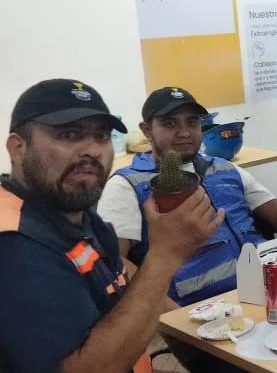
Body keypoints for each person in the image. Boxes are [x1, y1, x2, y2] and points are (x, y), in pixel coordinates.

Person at [0, 79, 222, 372]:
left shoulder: (81, 218)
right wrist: (165, 255)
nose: (91, 150)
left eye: (101, 136)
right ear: (18, 148)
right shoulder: (13, 241)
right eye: (69, 135)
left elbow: (119, 315)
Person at [99, 86, 277, 309]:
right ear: (147, 130)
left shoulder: (224, 167)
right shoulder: (127, 186)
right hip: (200, 309)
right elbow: (114, 263)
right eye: (170, 124)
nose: (185, 133)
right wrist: (172, 319)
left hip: (271, 287)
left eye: (192, 122)